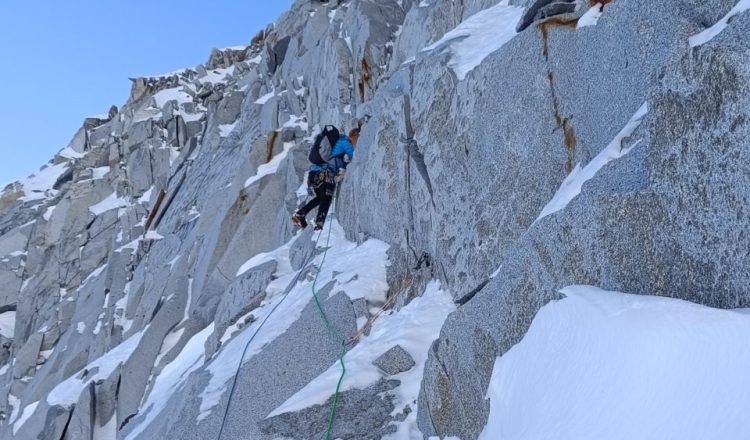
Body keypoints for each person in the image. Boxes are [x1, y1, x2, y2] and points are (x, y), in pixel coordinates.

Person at [292, 126, 358, 231]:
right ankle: (319, 223)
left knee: (320, 198)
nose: (356, 144)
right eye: (357, 140)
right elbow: (355, 157)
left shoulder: (336, 141)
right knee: (327, 198)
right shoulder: (346, 142)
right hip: (326, 174)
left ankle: (300, 214)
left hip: (314, 174)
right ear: (355, 137)